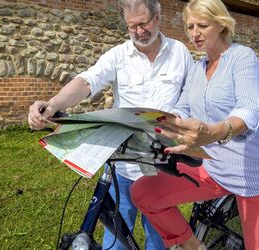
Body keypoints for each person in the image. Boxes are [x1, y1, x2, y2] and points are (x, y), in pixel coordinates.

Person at [27, 0, 193, 249]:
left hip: (161, 163)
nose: (139, 31)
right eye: (131, 26)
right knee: (115, 242)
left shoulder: (180, 53)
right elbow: (87, 82)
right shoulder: (118, 55)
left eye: (144, 23)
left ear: (157, 17)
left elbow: (191, 95)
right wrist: (52, 104)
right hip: (123, 166)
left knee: (158, 240)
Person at [130, 0, 259, 249]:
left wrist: (213, 132)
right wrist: (153, 123)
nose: (194, 33)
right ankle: (194, 246)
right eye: (189, 26)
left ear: (221, 24)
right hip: (215, 169)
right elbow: (181, 108)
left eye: (202, 25)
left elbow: (249, 110)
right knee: (144, 192)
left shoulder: (242, 57)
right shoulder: (196, 69)